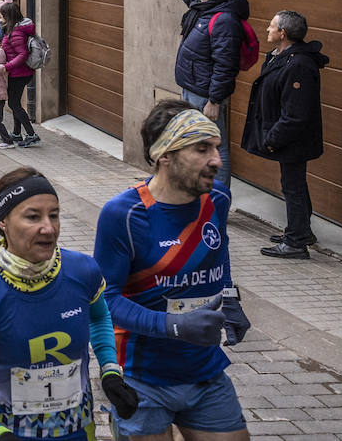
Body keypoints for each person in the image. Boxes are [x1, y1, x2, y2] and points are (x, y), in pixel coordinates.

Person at [0, 167, 140, 441]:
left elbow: (99, 317)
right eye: (33, 216)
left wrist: (110, 370)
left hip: (78, 429)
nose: (48, 227)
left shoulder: (83, 271)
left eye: (54, 215)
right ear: (3, 223)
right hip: (11, 433)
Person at [94, 99, 252, 441]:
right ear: (164, 154)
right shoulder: (123, 214)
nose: (217, 160)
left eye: (216, 148)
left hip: (204, 370)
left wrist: (230, 297)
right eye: (202, 149)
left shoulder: (218, 199)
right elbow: (105, 302)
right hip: (141, 376)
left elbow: (218, 249)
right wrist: (174, 325)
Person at [142, 0, 248, 186]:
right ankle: (195, 188)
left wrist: (215, 100)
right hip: (192, 88)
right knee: (195, 141)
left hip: (205, 95)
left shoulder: (223, 20)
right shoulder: (204, 7)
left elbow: (225, 65)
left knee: (213, 145)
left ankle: (217, 197)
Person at [242, 10, 328, 260]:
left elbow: (296, 115)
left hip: (293, 139)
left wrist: (272, 140)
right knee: (294, 185)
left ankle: (296, 242)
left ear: (283, 33)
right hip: (287, 136)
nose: (266, 30)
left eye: (271, 26)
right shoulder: (281, 55)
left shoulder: (299, 64)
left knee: (293, 187)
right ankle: (301, 232)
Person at [0, 1, 41, 147]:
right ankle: (16, 133)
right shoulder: (14, 29)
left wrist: (7, 67)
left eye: (1, 15)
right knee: (15, 103)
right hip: (19, 73)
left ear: (7, 16)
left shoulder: (16, 32)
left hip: (19, 73)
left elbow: (22, 54)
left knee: (14, 103)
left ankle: (31, 134)